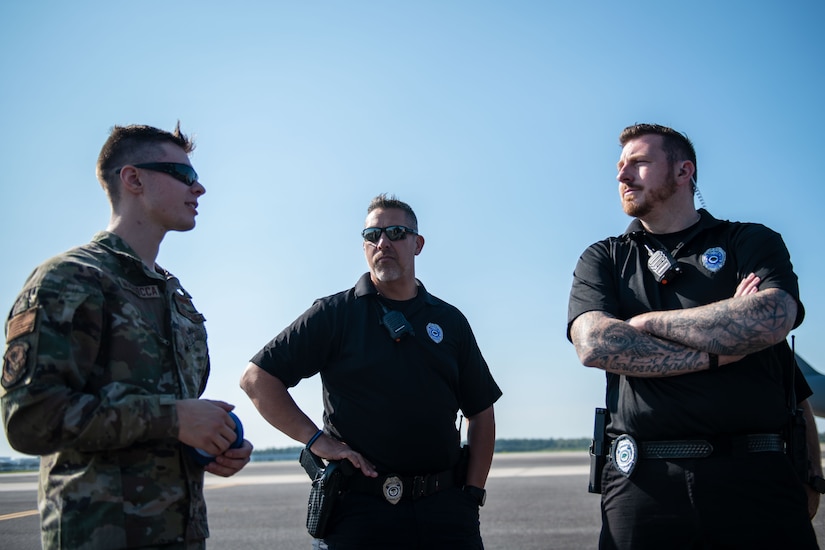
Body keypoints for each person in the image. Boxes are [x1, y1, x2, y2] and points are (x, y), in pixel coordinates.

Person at [567, 123, 822, 549]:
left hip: (757, 480)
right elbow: (595, 344)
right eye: (620, 166)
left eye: (640, 163)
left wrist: (645, 324)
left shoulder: (750, 241)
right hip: (642, 487)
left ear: (684, 171)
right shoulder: (604, 257)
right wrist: (721, 348)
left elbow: (772, 317)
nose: (622, 176)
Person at [1, 123, 253, 549]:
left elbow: (160, 426)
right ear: (133, 179)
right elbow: (28, 418)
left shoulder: (176, 297)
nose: (200, 188)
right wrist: (172, 418)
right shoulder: (71, 279)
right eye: (185, 176)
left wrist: (209, 444)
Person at [241, 194, 501, 549]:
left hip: (445, 512)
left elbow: (481, 413)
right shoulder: (334, 314)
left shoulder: (449, 321)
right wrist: (317, 440)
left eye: (396, 232)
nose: (383, 243)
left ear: (417, 244)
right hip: (358, 512)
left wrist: (471, 495)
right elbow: (257, 379)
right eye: (372, 235)